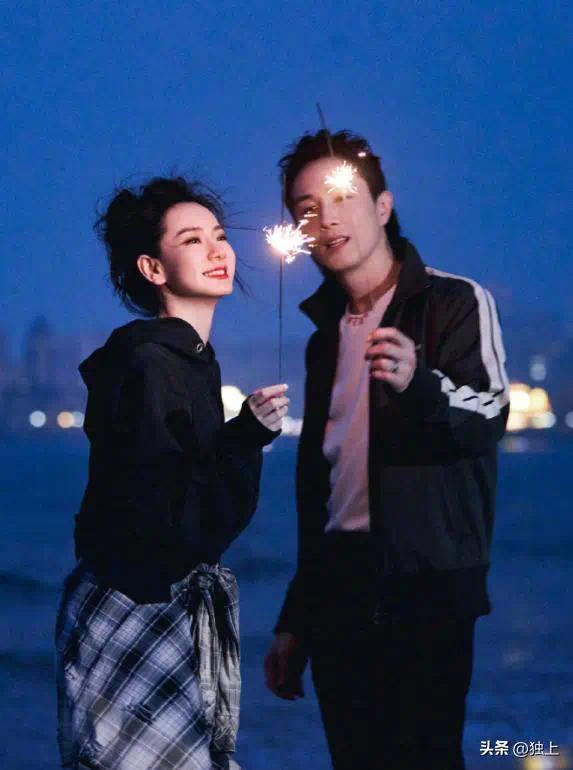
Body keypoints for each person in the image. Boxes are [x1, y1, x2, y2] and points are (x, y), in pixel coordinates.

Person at [264, 131, 509, 770]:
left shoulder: (453, 302)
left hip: (426, 587)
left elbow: (489, 418)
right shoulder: (322, 340)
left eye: (342, 196)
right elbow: (320, 492)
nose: (326, 218)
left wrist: (418, 384)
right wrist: (296, 618)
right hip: (338, 587)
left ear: (383, 206)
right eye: (307, 209)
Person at [55, 176, 289, 770]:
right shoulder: (149, 363)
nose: (217, 250)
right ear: (153, 268)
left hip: (152, 607)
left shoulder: (185, 358)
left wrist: (243, 433)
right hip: (135, 611)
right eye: (191, 240)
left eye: (219, 235)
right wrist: (246, 437)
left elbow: (183, 489)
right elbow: (169, 517)